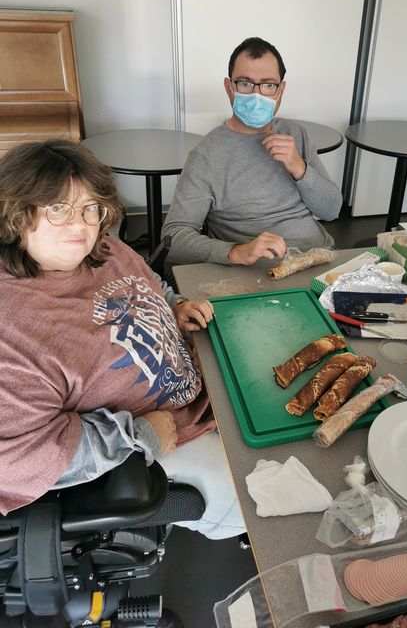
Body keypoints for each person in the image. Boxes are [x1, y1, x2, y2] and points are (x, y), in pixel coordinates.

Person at [0, 140, 244, 539]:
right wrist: (139, 437)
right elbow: (17, 460)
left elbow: (146, 282)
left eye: (90, 207)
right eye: (58, 208)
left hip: (208, 383)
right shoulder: (11, 331)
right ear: (16, 214)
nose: (80, 224)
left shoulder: (105, 249)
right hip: (160, 442)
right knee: (261, 501)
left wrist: (174, 306)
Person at [162, 36, 343, 266]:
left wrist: (300, 168)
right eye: (245, 84)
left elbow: (332, 210)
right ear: (229, 88)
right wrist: (236, 252)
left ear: (280, 90)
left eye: (268, 85)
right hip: (260, 272)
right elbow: (174, 237)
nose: (257, 95)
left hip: (320, 258)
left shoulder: (295, 134)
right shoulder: (206, 156)